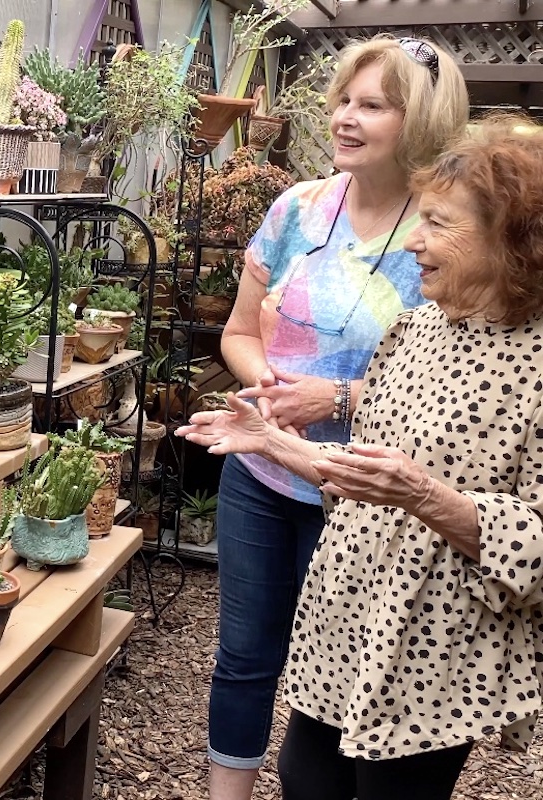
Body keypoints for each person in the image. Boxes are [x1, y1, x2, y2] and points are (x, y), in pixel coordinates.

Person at [177, 117, 543, 799]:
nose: (413, 242)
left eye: (437, 224)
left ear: (512, 241)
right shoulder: (415, 329)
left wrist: (429, 498)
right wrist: (273, 442)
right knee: (305, 779)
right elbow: (366, 481)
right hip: (344, 615)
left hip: (432, 642)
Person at [205, 36, 470, 799]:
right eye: (343, 102)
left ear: (418, 120)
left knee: (352, 668)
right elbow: (238, 333)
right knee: (245, 656)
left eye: (372, 105)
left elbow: (453, 390)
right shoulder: (297, 209)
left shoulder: (443, 237)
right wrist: (272, 391)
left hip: (368, 497)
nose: (345, 119)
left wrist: (340, 400)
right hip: (261, 473)